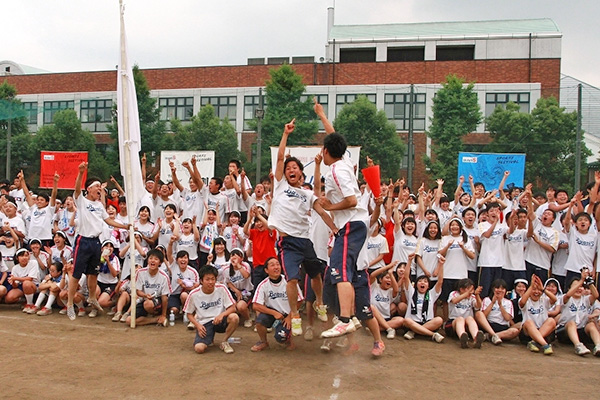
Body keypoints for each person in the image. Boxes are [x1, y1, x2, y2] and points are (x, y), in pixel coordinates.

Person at [267, 118, 335, 336]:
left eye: (295, 167)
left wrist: (335, 229)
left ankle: (320, 303)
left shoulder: (307, 193)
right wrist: (285, 134)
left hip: (306, 241)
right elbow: (279, 157)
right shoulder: (280, 186)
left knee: (316, 276)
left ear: (300, 174)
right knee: (293, 279)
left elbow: (322, 212)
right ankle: (295, 314)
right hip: (287, 242)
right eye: (288, 168)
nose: (291, 170)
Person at [67, 162, 130, 321]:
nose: (99, 190)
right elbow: (76, 190)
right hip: (83, 240)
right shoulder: (82, 201)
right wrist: (81, 173)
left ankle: (92, 297)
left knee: (93, 273)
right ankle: (69, 303)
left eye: (100, 189)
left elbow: (109, 220)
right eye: (97, 188)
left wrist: (125, 226)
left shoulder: (100, 205)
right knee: (76, 273)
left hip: (96, 242)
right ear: (89, 189)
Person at [183, 264, 239, 354]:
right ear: (201, 281)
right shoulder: (194, 294)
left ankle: (224, 341)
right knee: (199, 348)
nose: (211, 282)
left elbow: (232, 307)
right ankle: (209, 339)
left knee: (234, 317)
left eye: (213, 279)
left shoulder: (222, 288)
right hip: (204, 323)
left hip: (220, 320)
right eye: (207, 279)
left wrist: (222, 315)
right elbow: (189, 314)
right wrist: (197, 325)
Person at [251, 257, 302, 351]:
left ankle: (288, 339)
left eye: (278, 264)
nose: (276, 267)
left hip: (288, 313)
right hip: (272, 312)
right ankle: (263, 341)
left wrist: (290, 316)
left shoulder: (289, 282)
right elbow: (255, 305)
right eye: (272, 265)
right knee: (260, 321)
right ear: (266, 270)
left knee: (281, 337)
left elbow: (300, 300)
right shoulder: (263, 285)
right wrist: (273, 313)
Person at [400, 253, 445, 343]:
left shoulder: (431, 294)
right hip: (412, 322)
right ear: (416, 285)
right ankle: (432, 335)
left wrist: (441, 265)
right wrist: (409, 261)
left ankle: (414, 332)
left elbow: (440, 281)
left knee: (439, 320)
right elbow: (406, 277)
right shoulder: (412, 292)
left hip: (426, 322)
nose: (422, 283)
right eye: (420, 281)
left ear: (428, 286)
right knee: (406, 320)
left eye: (425, 282)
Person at [557, 269, 600, 356]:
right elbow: (568, 295)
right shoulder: (565, 298)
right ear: (569, 288)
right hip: (564, 332)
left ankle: (598, 345)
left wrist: (589, 281)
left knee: (591, 325)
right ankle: (578, 346)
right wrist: (581, 280)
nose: (579, 288)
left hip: (580, 331)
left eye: (581, 287)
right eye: (576, 286)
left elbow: (596, 295)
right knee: (571, 323)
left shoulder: (586, 299)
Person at [125, 249, 171, 327]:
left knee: (148, 304)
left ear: (160, 263)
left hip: (157, 301)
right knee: (129, 320)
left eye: (156, 259)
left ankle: (158, 315)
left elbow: (164, 297)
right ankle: (154, 320)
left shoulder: (164, 276)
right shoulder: (140, 273)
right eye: (151, 258)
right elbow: (138, 291)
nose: (152, 261)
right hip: (144, 299)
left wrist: (164, 314)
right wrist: (145, 295)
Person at [519, 274, 557, 355]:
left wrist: (543, 289)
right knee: (528, 322)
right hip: (527, 333)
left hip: (543, 331)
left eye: (538, 290)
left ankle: (534, 342)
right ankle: (545, 345)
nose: (536, 292)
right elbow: (522, 303)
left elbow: (554, 299)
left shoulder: (544, 300)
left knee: (551, 320)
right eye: (534, 289)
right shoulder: (526, 300)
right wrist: (531, 286)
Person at [475, 279, 520, 345]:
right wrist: (492, 303)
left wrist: (500, 305)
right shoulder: (487, 300)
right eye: (497, 288)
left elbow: (507, 318)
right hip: (489, 325)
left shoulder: (508, 302)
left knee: (515, 330)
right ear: (493, 289)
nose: (500, 290)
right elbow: (483, 316)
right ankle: (494, 335)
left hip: (503, 327)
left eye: (502, 288)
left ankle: (490, 336)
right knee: (478, 313)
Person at [445, 279, 484, 349]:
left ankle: (476, 338)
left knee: (470, 318)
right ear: (461, 289)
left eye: (472, 289)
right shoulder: (454, 293)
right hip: (452, 324)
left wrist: (477, 295)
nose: (471, 292)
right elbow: (454, 301)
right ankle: (462, 339)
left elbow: (478, 306)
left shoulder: (472, 297)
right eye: (468, 289)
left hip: (467, 325)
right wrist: (466, 294)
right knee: (460, 319)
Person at [369, 260, 403, 339]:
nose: (389, 280)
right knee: (371, 307)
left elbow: (396, 290)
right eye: (387, 278)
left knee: (400, 320)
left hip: (386, 319)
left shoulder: (391, 292)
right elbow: (372, 275)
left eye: (391, 279)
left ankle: (376, 329)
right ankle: (389, 329)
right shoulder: (374, 287)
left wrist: (391, 274)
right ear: (381, 280)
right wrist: (388, 267)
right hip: (374, 318)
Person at [166, 249, 200, 323]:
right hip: (174, 294)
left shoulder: (193, 271)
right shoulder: (174, 267)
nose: (183, 260)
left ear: (188, 260)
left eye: (185, 258)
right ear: (177, 260)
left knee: (184, 295)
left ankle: (186, 313)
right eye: (181, 258)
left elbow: (196, 286)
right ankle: (178, 312)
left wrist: (183, 286)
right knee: (173, 310)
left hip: (188, 294)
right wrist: (171, 243)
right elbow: (169, 254)